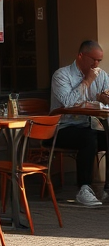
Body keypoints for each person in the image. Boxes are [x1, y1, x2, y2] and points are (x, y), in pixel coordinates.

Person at [51, 40, 109, 207]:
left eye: (99, 60)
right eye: (93, 59)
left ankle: (106, 189)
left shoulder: (102, 75)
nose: (96, 64)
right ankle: (84, 189)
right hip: (62, 127)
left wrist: (105, 98)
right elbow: (68, 103)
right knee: (88, 137)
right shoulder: (62, 75)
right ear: (80, 56)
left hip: (90, 124)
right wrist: (87, 81)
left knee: (104, 136)